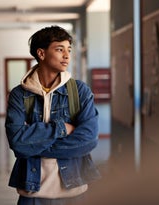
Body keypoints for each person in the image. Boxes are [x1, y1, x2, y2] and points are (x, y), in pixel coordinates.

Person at [5, 25, 100, 205]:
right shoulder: (19, 94)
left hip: (74, 191)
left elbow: (89, 139)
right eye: (59, 49)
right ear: (41, 54)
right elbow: (17, 143)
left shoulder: (80, 91)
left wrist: (33, 147)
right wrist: (62, 128)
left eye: (69, 50)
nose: (67, 55)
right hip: (32, 193)